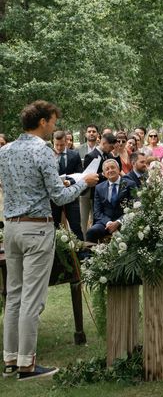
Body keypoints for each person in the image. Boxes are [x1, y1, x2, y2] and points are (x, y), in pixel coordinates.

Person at [0, 100, 99, 379]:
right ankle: (27, 365)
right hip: (36, 229)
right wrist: (83, 183)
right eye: (53, 122)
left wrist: (62, 183)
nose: (55, 127)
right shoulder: (41, 150)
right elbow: (60, 197)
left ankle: (10, 361)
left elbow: (26, 186)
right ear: (43, 122)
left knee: (14, 297)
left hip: (11, 229)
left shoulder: (4, 151)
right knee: (32, 298)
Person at [85, 159, 133, 243]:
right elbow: (97, 212)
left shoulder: (129, 184)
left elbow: (134, 207)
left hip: (124, 221)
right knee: (91, 232)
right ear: (104, 174)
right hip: (105, 223)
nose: (110, 170)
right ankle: (91, 255)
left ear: (119, 170)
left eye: (112, 167)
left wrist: (118, 222)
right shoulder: (99, 188)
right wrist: (108, 222)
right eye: (107, 169)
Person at [50, 131, 84, 241]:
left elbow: (80, 174)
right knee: (54, 226)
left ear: (66, 142)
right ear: (53, 143)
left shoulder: (74, 155)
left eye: (62, 144)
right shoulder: (47, 156)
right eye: (57, 145)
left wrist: (69, 182)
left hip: (71, 195)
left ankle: (81, 253)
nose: (59, 147)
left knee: (75, 226)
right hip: (54, 197)